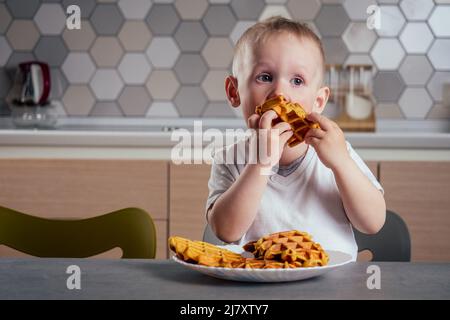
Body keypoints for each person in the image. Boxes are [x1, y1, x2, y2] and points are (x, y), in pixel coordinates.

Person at [205, 16, 386, 260]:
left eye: (297, 81)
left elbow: (373, 223)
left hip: (333, 288)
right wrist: (260, 164)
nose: (280, 93)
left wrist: (341, 164)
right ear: (234, 92)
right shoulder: (230, 158)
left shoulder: (337, 153)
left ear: (319, 101)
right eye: (265, 77)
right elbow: (227, 231)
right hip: (259, 287)